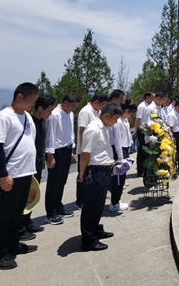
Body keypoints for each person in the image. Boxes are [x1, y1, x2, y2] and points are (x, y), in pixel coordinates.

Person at [0, 83, 40, 270]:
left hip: (25, 173)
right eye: (31, 100)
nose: (33, 104)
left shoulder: (27, 117)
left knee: (18, 214)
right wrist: (4, 174)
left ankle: (13, 245)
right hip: (11, 175)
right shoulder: (3, 117)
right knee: (4, 216)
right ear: (20, 97)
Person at [78, 103, 123, 251]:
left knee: (99, 204)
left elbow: (102, 150)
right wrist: (82, 173)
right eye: (115, 119)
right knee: (92, 205)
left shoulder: (104, 127)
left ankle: (95, 229)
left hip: (104, 170)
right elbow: (85, 154)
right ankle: (88, 239)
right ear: (107, 115)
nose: (115, 122)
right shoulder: (93, 129)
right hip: (95, 171)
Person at [20, 94, 56, 237]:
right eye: (49, 111)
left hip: (37, 163)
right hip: (27, 164)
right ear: (40, 108)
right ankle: (19, 228)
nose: (50, 114)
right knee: (23, 196)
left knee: (32, 194)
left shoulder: (40, 122)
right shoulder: (29, 122)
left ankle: (27, 222)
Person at [45, 93, 80, 224]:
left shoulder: (69, 114)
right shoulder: (54, 115)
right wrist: (50, 156)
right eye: (72, 106)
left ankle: (58, 206)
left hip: (66, 149)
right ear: (65, 103)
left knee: (62, 181)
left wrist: (71, 149)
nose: (73, 109)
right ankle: (50, 212)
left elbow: (70, 133)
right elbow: (50, 136)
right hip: (56, 151)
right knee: (53, 183)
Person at [75, 92, 109, 210]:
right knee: (82, 175)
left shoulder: (97, 111)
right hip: (85, 150)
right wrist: (84, 149)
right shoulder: (86, 111)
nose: (103, 107)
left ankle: (88, 197)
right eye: (102, 104)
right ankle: (80, 200)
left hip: (94, 149)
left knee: (90, 176)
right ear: (96, 102)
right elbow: (82, 131)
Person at [108, 100, 136, 211]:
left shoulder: (124, 120)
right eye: (131, 113)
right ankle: (114, 203)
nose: (131, 116)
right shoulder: (118, 121)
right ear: (127, 110)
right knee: (118, 178)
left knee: (121, 178)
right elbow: (117, 141)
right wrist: (120, 158)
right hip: (118, 151)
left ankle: (117, 200)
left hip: (124, 149)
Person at [134, 92, 155, 180]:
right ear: (147, 97)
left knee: (146, 151)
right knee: (142, 150)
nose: (153, 100)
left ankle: (144, 169)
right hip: (142, 130)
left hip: (147, 130)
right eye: (152, 98)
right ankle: (140, 170)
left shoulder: (150, 106)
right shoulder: (142, 106)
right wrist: (136, 131)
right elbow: (138, 119)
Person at [166, 99, 179, 173]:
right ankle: (177, 166)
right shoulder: (172, 115)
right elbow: (170, 127)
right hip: (175, 135)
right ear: (177, 106)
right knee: (176, 151)